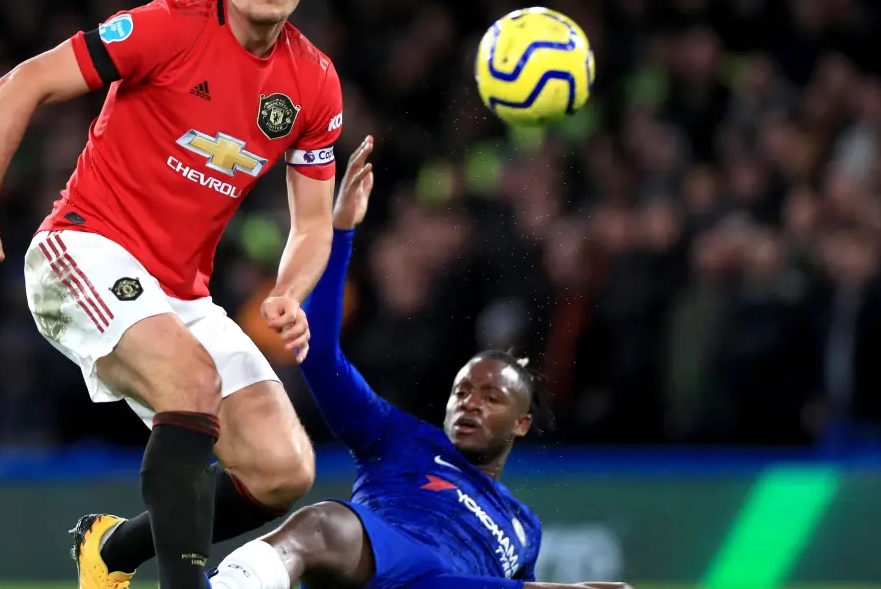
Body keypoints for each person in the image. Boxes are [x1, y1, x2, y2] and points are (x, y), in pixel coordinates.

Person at [0, 0, 358, 589]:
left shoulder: (314, 80)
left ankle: (110, 549)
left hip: (180, 293)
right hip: (83, 249)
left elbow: (311, 224)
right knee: (192, 380)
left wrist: (287, 291)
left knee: (283, 468)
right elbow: (22, 82)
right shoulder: (168, 27)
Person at [205, 153, 633, 589]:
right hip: (388, 571)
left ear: (521, 423)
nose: (471, 403)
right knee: (324, 525)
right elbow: (318, 357)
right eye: (462, 392)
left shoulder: (525, 529)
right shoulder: (399, 439)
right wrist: (341, 230)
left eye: (491, 397)